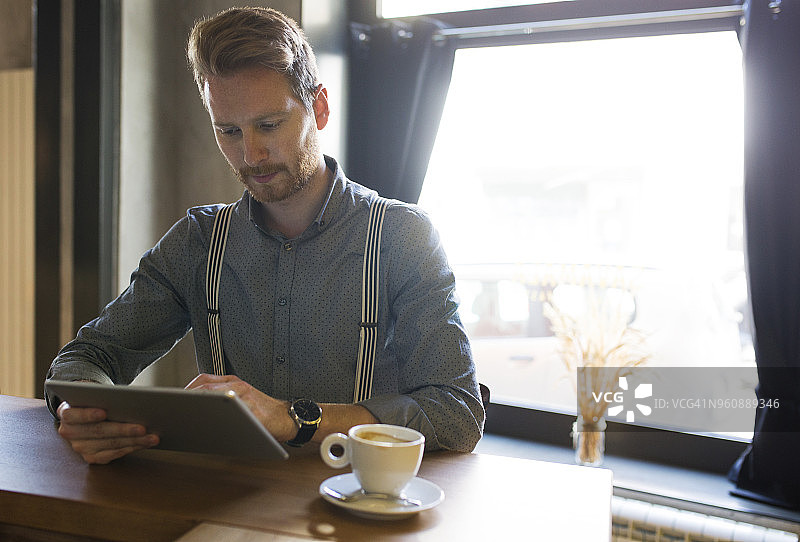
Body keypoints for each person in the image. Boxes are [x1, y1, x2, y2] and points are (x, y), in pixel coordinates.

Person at [46, 6, 484, 464]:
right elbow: (87, 356)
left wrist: (295, 418)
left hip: (362, 510)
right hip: (232, 500)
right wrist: (82, 411)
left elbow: (457, 414)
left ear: (319, 107)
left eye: (269, 125)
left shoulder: (402, 237)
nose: (251, 154)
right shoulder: (197, 242)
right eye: (229, 131)